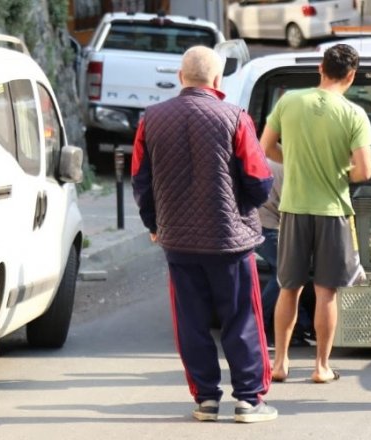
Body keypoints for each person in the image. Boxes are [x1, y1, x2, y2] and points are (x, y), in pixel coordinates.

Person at [131, 46, 277, 423]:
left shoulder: (152, 119)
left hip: (178, 240)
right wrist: (241, 206)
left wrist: (154, 224)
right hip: (230, 238)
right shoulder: (234, 117)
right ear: (217, 80)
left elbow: (140, 180)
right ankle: (249, 399)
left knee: (190, 322)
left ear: (181, 77)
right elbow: (260, 180)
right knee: (242, 318)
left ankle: (206, 399)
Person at [259, 43, 371, 384]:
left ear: (320, 68)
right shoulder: (354, 114)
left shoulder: (290, 101)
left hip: (292, 209)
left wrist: (293, 163)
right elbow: (364, 171)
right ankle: (321, 367)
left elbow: (265, 146)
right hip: (332, 212)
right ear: (351, 76)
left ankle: (279, 363)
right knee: (326, 292)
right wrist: (340, 172)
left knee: (288, 288)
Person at [255, 160, 313, 347]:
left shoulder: (263, 157)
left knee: (290, 276)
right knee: (285, 274)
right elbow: (295, 205)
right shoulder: (289, 164)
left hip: (253, 223)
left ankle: (300, 326)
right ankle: (257, 323)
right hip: (269, 226)